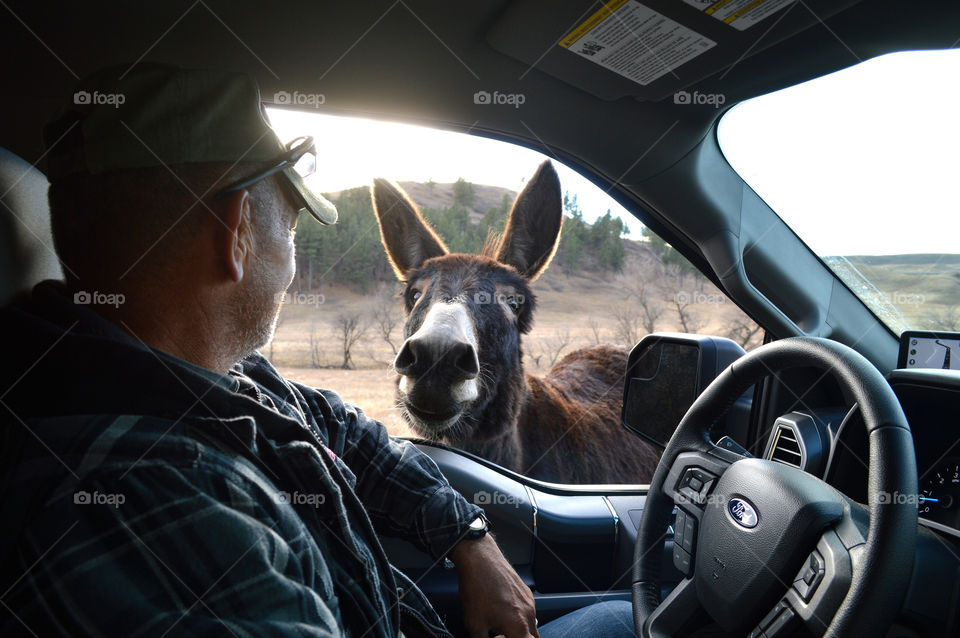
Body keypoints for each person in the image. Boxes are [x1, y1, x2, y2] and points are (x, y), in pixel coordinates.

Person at [0, 63, 634, 637]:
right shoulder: (147, 511)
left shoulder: (212, 377)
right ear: (237, 231)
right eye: (295, 220)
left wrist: (468, 535)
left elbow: (345, 432)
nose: (295, 251)